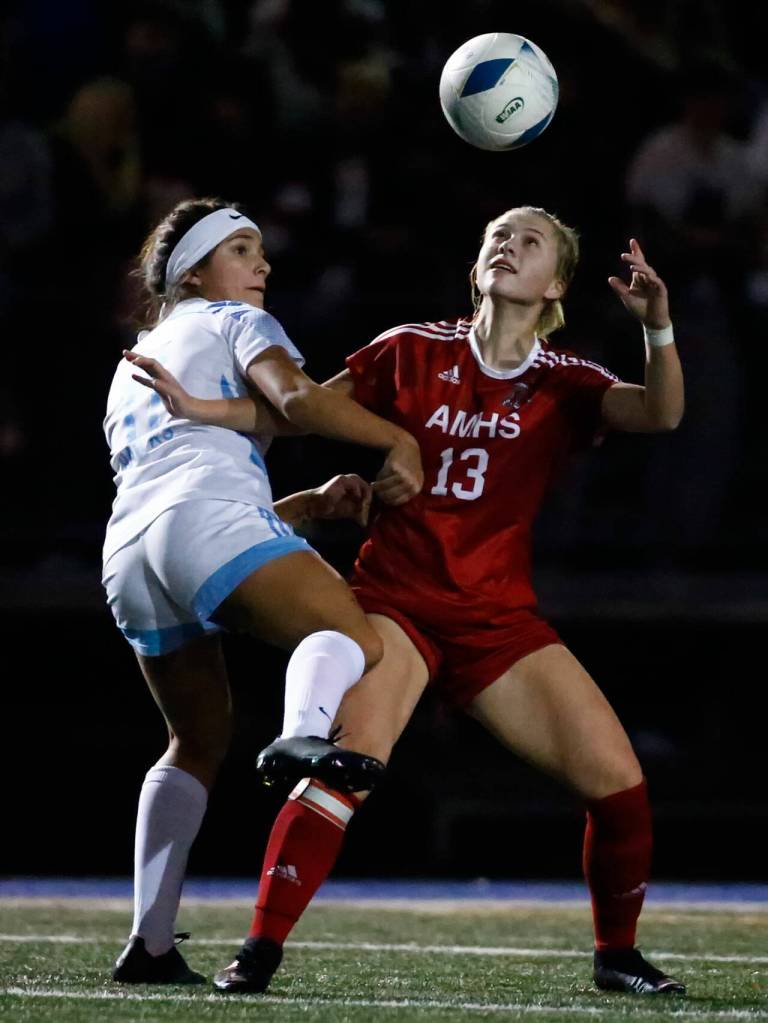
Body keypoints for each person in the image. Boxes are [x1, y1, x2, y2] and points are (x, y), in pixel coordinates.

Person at [136, 206, 686, 997]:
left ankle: (617, 955)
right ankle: (257, 948)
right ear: (475, 266)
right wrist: (205, 411)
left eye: (530, 241)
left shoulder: (566, 380)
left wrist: (658, 329)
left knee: (620, 782)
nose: (507, 244)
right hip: (395, 604)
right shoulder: (408, 349)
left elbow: (662, 413)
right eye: (496, 233)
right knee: (341, 771)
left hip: (498, 620)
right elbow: (293, 407)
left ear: (556, 282)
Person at [102, 197, 424, 984]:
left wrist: (305, 508)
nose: (263, 265)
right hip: (202, 521)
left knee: (195, 740)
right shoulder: (231, 320)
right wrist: (394, 437)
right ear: (197, 271)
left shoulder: (132, 362)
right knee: (356, 640)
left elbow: (177, 491)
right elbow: (298, 400)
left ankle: (149, 944)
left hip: (128, 556)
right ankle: (301, 735)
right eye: (243, 249)